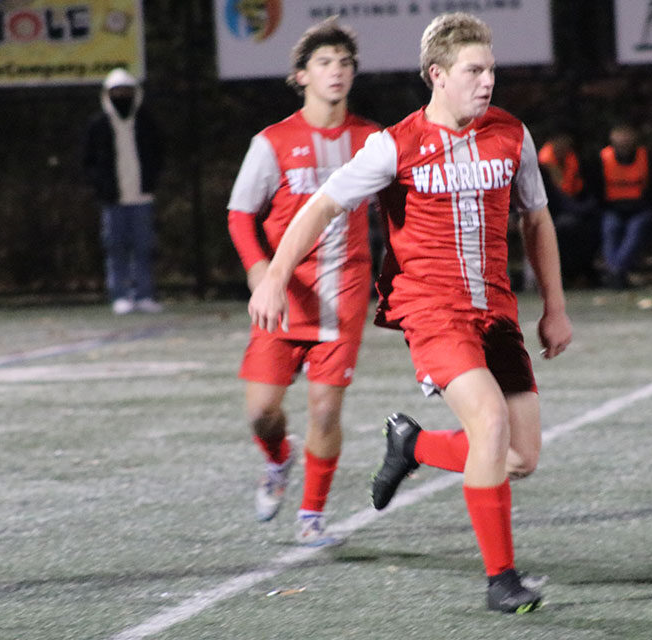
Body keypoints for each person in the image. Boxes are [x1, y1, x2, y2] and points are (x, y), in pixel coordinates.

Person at [249, 12, 574, 613]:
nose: (487, 82)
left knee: (520, 458)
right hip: (432, 310)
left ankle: (415, 447)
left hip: (495, 310)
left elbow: (537, 218)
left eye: (491, 70)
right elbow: (319, 207)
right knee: (488, 422)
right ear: (438, 75)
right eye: (474, 71)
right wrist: (273, 275)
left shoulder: (512, 134)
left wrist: (554, 306)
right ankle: (500, 580)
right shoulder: (394, 145)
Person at [226, 18, 381, 546]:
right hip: (283, 294)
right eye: (324, 63)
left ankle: (312, 517)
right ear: (300, 75)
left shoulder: (373, 140)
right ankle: (279, 458)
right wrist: (259, 275)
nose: (336, 71)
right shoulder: (272, 142)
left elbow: (404, 210)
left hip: (345, 292)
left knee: (325, 407)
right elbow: (241, 214)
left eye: (344, 63)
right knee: (262, 412)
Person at [83, 68, 165, 315]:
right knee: (116, 247)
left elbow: (158, 154)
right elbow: (88, 161)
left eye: (126, 91)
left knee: (143, 247)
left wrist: (151, 180)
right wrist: (102, 186)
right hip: (113, 199)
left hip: (142, 197)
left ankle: (144, 294)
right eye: (116, 92)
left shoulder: (146, 123)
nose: (122, 96)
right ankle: (119, 295)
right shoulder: (98, 125)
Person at [584, 119, 652, 289]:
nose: (623, 139)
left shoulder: (648, 158)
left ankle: (615, 270)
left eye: (627, 134)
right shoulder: (601, 159)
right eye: (619, 134)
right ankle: (616, 272)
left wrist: (648, 205)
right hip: (612, 209)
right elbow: (595, 190)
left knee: (637, 228)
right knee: (610, 228)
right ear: (612, 137)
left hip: (640, 209)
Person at [538, 134, 600, 288]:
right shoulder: (542, 167)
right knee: (567, 227)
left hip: (572, 210)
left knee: (593, 226)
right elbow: (555, 199)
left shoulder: (577, 162)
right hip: (548, 213)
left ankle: (583, 273)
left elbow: (584, 190)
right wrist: (583, 209)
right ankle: (566, 275)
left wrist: (588, 207)